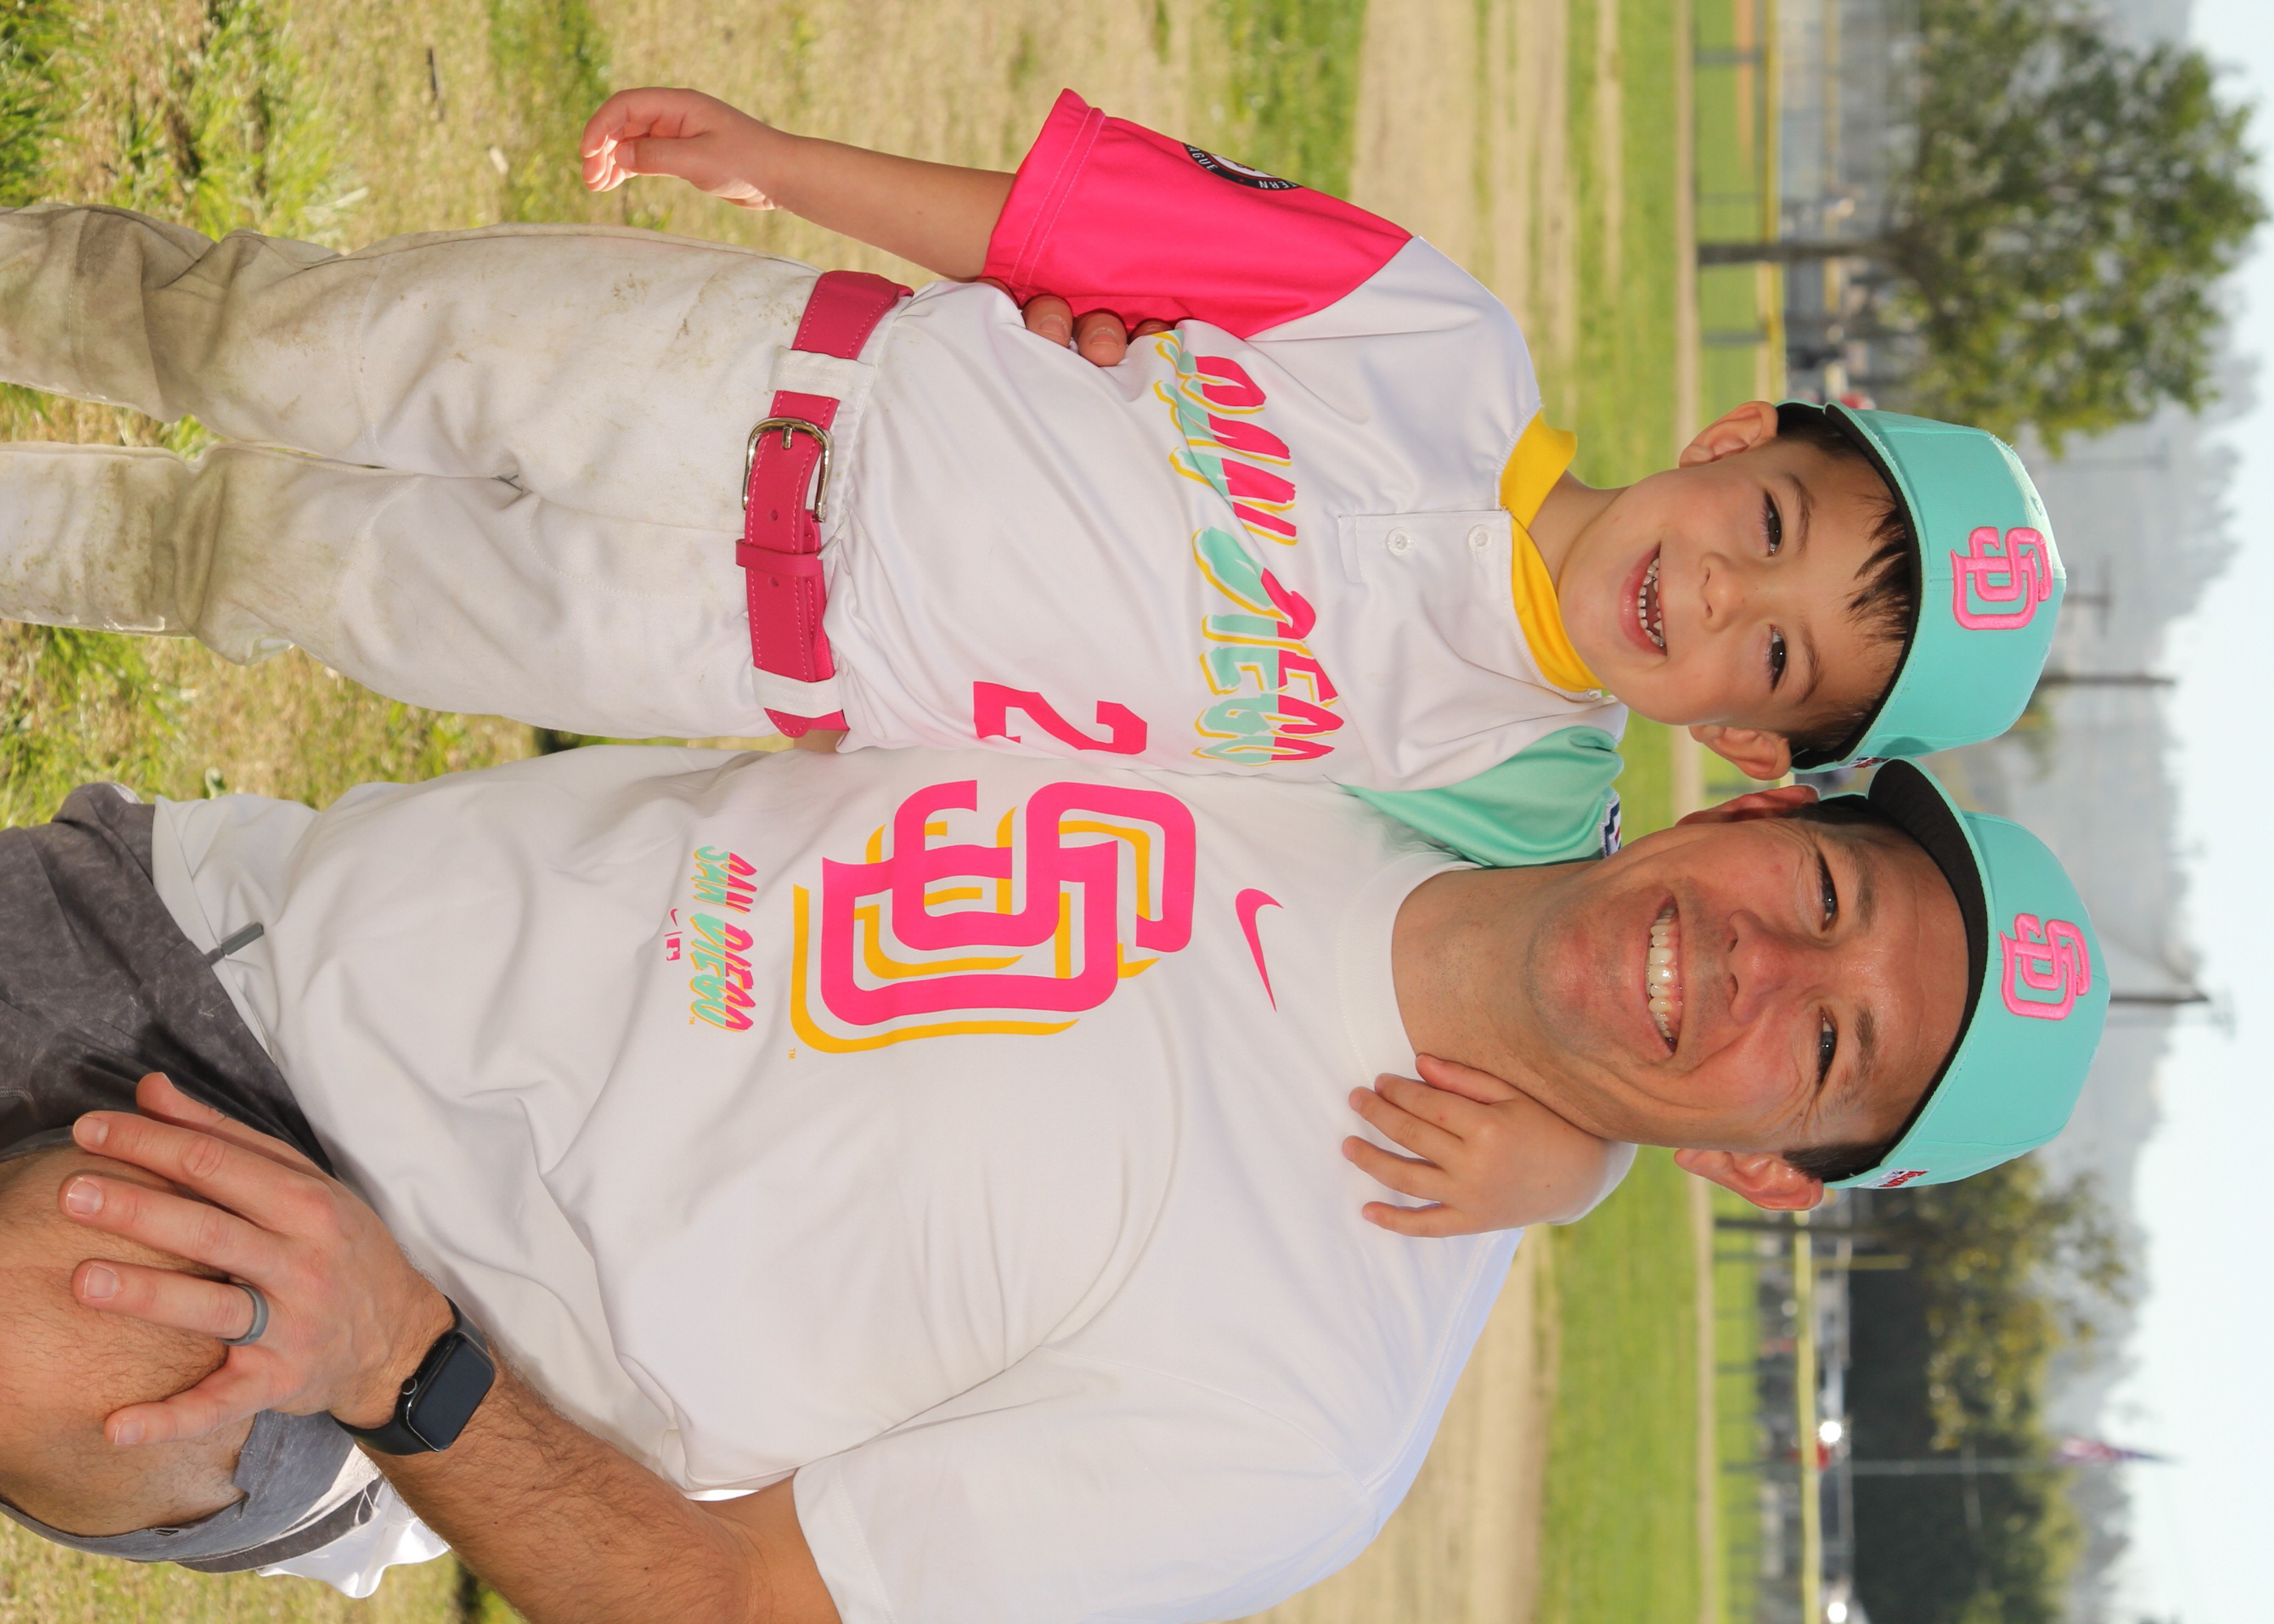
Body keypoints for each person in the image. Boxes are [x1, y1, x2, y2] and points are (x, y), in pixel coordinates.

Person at [0, 741, 2105, 1619]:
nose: (1754, 968)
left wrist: (406, 1363)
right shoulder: (1386, 716)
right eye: (1821, 896)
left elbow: (741, 1611)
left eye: (1826, 1047)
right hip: (239, 927)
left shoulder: (1306, 1418)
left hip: (367, 1349)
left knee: (39, 1317)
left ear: (1769, 1169)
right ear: (1755, 808)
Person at [0, 88, 2064, 865]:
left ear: (1744, 749)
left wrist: (1604, 1157)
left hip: (715, 654)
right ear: (1733, 441)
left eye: (1775, 661)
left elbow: (1568, 1033)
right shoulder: (1439, 335)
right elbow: (1071, 237)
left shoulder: (1515, 787)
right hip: (755, 381)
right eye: (1769, 533)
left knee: (259, 564)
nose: (1716, 598)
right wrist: (779, 165)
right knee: (274, 337)